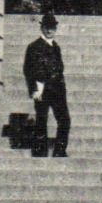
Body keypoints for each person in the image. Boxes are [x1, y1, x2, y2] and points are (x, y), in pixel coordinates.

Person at [23, 12, 69, 156]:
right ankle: (40, 152)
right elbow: (28, 70)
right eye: (47, 27)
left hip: (57, 89)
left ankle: (59, 151)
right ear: (42, 28)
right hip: (42, 88)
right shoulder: (34, 46)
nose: (50, 31)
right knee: (41, 120)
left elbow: (60, 68)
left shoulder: (56, 47)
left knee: (64, 120)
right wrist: (34, 89)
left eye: (53, 28)